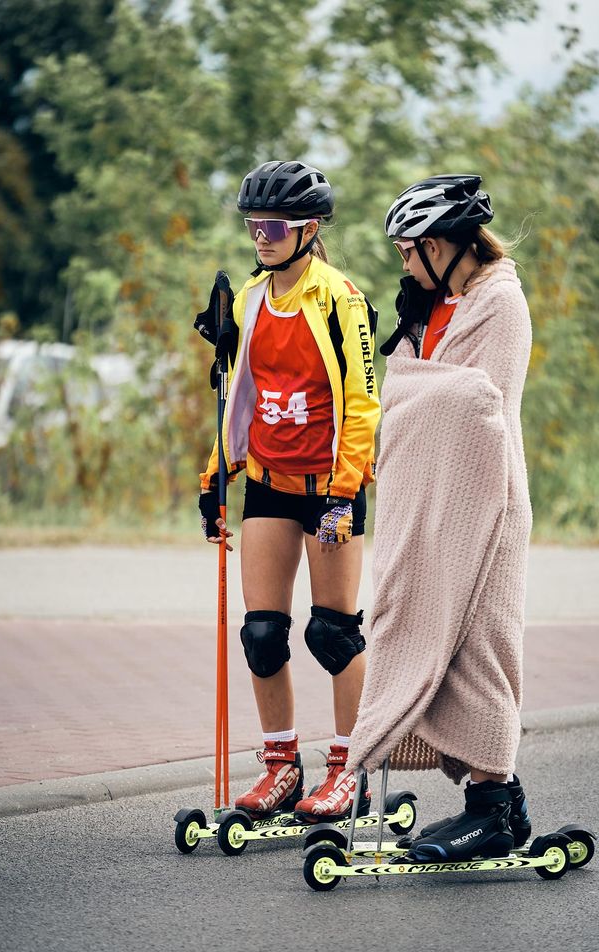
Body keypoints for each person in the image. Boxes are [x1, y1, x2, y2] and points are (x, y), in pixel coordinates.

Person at [347, 174, 533, 862]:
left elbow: (479, 404)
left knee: (481, 647)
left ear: (442, 244)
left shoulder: (502, 304)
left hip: (487, 504)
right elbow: (412, 386)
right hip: (433, 502)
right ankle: (501, 807)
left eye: (407, 249)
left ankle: (491, 803)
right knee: (439, 641)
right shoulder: (438, 305)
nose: (402, 262)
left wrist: (404, 396)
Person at [198, 160, 381, 822]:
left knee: (332, 634)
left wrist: (343, 489)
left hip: (330, 487)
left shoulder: (340, 299)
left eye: (271, 226)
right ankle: (281, 766)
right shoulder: (249, 298)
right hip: (270, 483)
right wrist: (217, 473)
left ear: (307, 230)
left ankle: (349, 769)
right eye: (252, 226)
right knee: (262, 634)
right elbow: (242, 396)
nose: (260, 237)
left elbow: (363, 402)